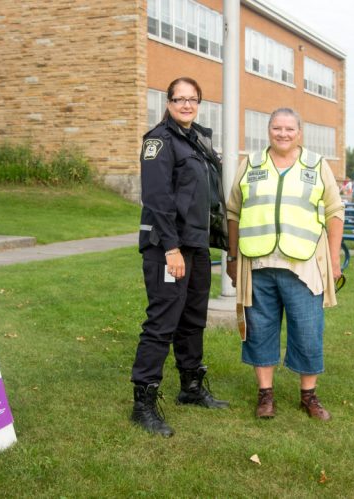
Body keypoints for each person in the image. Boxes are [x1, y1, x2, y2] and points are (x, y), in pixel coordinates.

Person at [225, 108, 344, 421]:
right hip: (257, 263)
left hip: (304, 265)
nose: (283, 134)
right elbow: (233, 213)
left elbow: (334, 212)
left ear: (299, 132)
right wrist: (233, 256)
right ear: (268, 131)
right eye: (277, 128)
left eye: (289, 129)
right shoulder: (250, 164)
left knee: (308, 330)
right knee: (258, 330)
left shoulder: (317, 166)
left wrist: (333, 260)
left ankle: (309, 396)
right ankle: (265, 396)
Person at [131, 76, 229, 437]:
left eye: (193, 99)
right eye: (179, 99)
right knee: (162, 323)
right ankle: (143, 404)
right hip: (168, 247)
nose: (186, 105)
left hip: (196, 246)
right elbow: (157, 199)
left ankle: (190, 387)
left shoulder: (196, 141)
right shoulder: (159, 141)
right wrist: (171, 248)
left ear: (199, 104)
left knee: (192, 319)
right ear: (168, 102)